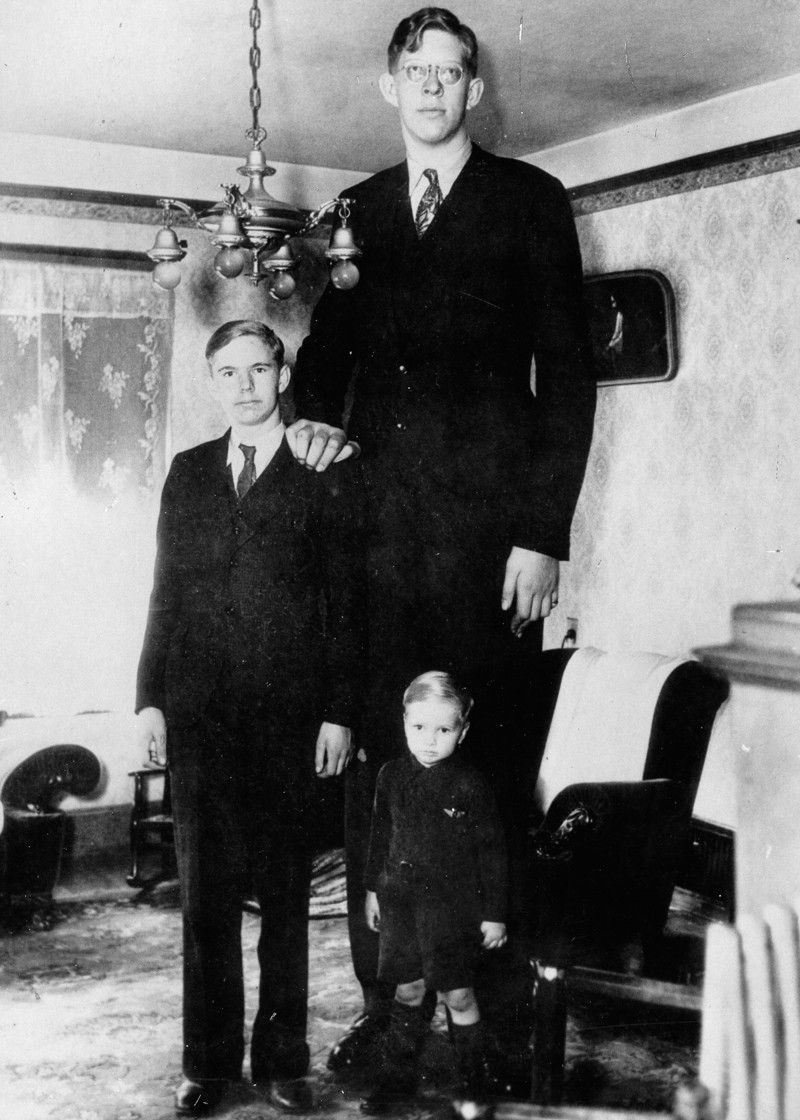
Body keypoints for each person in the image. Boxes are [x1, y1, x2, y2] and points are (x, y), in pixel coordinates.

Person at [287, 6, 597, 1077]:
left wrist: (540, 534)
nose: (430, 85)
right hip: (377, 542)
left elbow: (567, 375)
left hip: (488, 546)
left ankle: (489, 1020)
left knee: (483, 773)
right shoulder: (357, 212)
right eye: (413, 69)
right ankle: (391, 1010)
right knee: (381, 779)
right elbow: (324, 356)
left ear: (474, 88)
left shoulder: (529, 200)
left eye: (450, 70)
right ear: (388, 87)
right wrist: (309, 419)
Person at [135, 320, 365, 1115]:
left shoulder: (321, 471)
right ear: (213, 381)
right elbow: (164, 592)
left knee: (285, 902)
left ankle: (281, 1061)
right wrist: (149, 699)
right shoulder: (188, 472)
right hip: (200, 719)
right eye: (228, 372)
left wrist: (339, 714)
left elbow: (345, 605)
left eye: (259, 369)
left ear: (283, 373)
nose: (245, 385)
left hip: (288, 722)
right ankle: (208, 1068)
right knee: (205, 904)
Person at [361, 672, 507, 1112]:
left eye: (444, 730)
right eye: (419, 727)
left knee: (457, 994)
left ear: (463, 731)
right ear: (404, 722)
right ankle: (395, 1080)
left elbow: (492, 853)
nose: (429, 740)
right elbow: (379, 838)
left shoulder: (471, 784)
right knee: (407, 989)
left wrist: (495, 913)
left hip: (451, 911)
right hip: (401, 905)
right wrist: (373, 890)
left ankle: (475, 1084)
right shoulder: (390, 776)